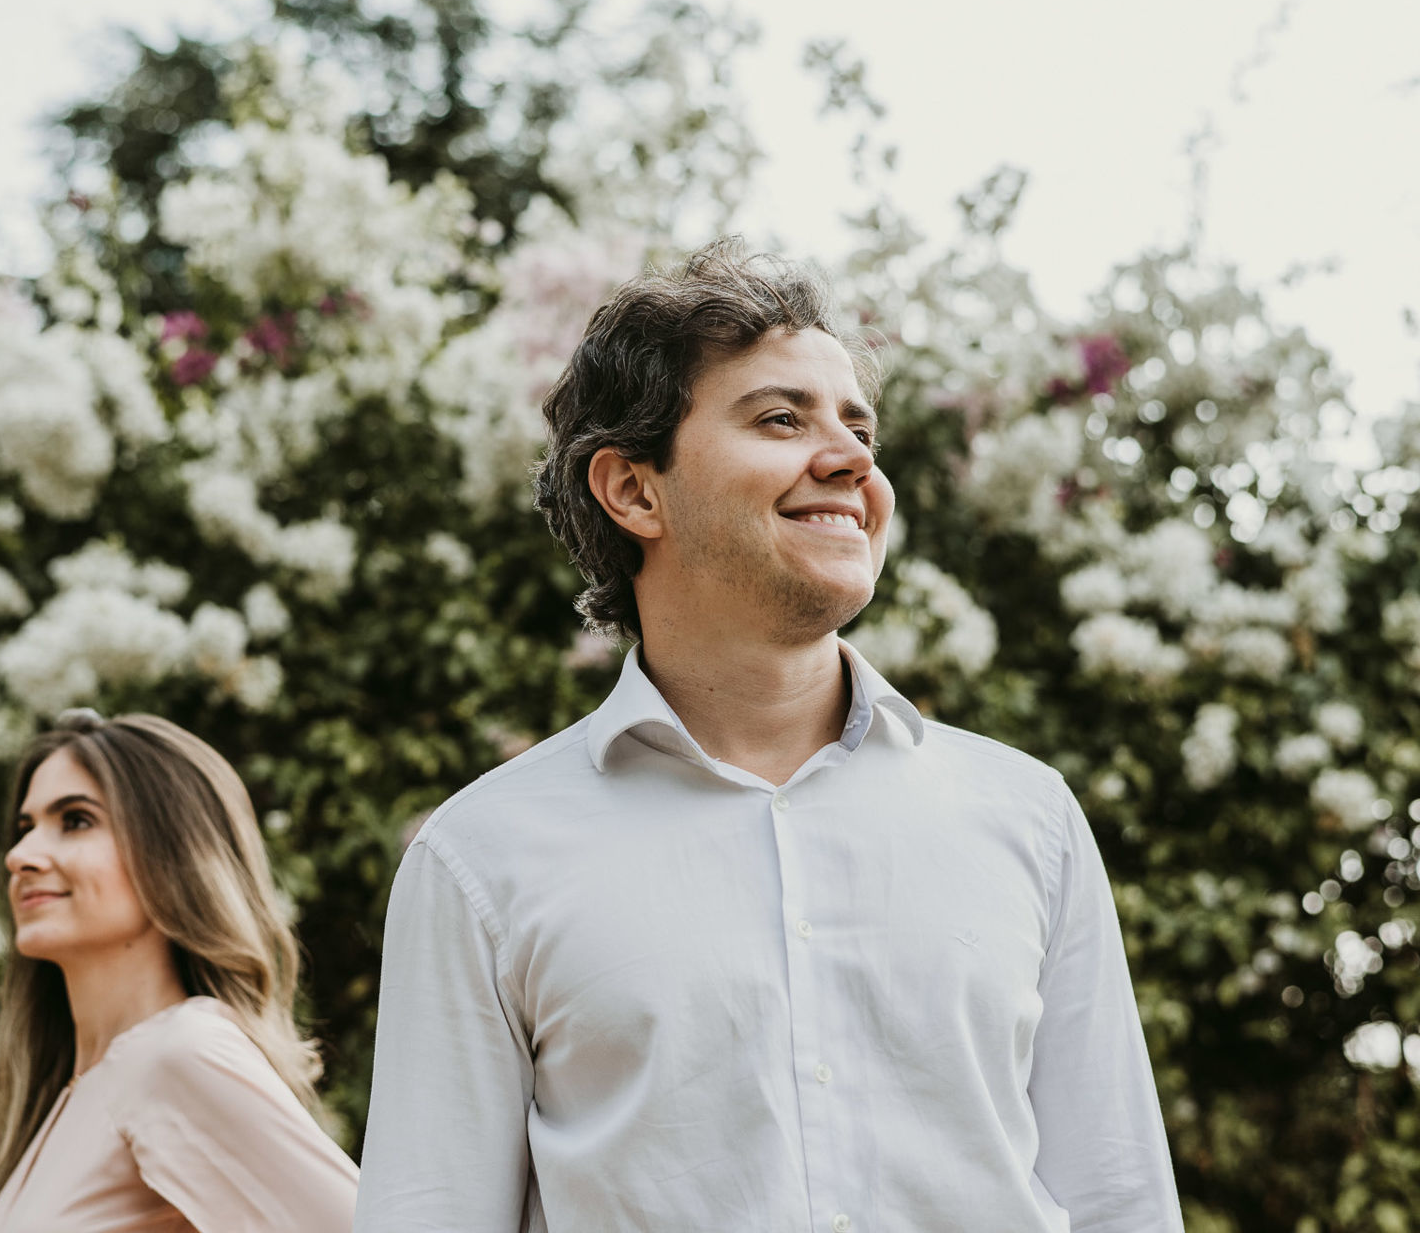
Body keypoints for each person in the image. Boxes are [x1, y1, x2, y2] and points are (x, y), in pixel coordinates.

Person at [354, 239, 1183, 1232]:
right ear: (633, 489)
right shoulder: (479, 859)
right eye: (781, 418)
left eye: (858, 426)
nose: (851, 459)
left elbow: (1119, 1202)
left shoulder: (1027, 816)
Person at [0, 710, 357, 1233]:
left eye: (76, 820)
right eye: (25, 828)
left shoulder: (180, 1054)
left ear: (171, 854)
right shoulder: (73, 1093)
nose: (20, 855)